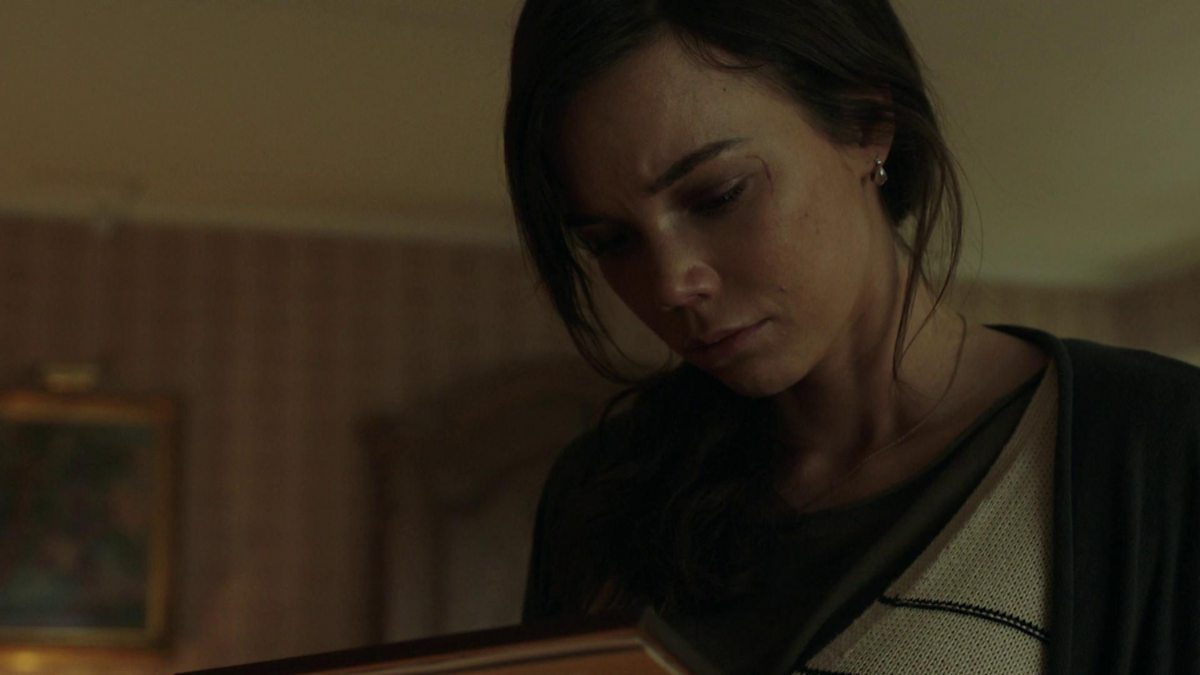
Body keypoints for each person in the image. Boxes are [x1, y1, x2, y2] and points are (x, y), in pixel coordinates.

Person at [503, 1, 1200, 673]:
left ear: (868, 121)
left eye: (719, 195)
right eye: (611, 240)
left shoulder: (1158, 444)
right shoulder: (601, 493)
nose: (669, 285)